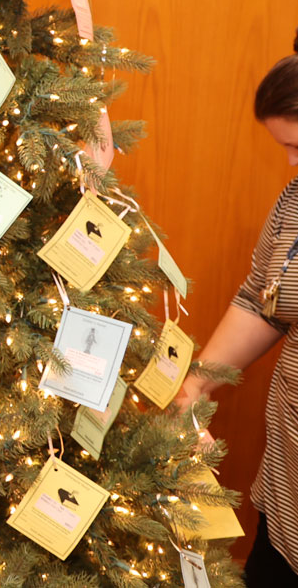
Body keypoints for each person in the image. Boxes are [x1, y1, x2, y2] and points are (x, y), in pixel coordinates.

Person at [174, 31, 298, 584]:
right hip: (286, 498)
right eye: (286, 150)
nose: (293, 164)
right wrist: (197, 384)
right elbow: (263, 298)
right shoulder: (294, 200)